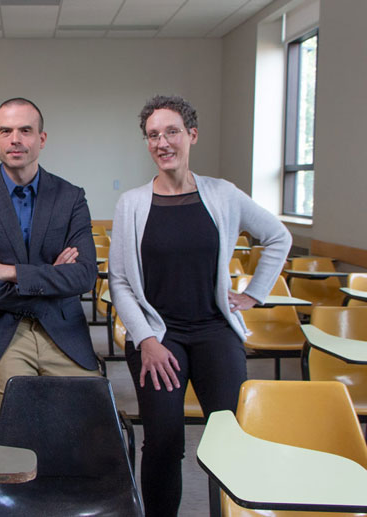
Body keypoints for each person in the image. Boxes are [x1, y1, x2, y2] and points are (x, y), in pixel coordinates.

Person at [108, 95, 291, 516]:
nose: (162, 142)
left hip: (214, 332)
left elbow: (278, 236)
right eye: (153, 135)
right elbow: (119, 281)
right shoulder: (132, 204)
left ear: (191, 135)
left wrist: (253, 294)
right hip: (159, 336)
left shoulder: (223, 194)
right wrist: (147, 340)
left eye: (171, 131)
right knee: (164, 440)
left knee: (230, 436)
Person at [0, 97, 100, 419]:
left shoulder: (71, 197)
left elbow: (85, 275)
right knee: (29, 419)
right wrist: (49, 277)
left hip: (62, 332)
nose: (15, 139)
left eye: (25, 130)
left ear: (41, 139)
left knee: (90, 418)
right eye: (6, 131)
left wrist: (10, 271)